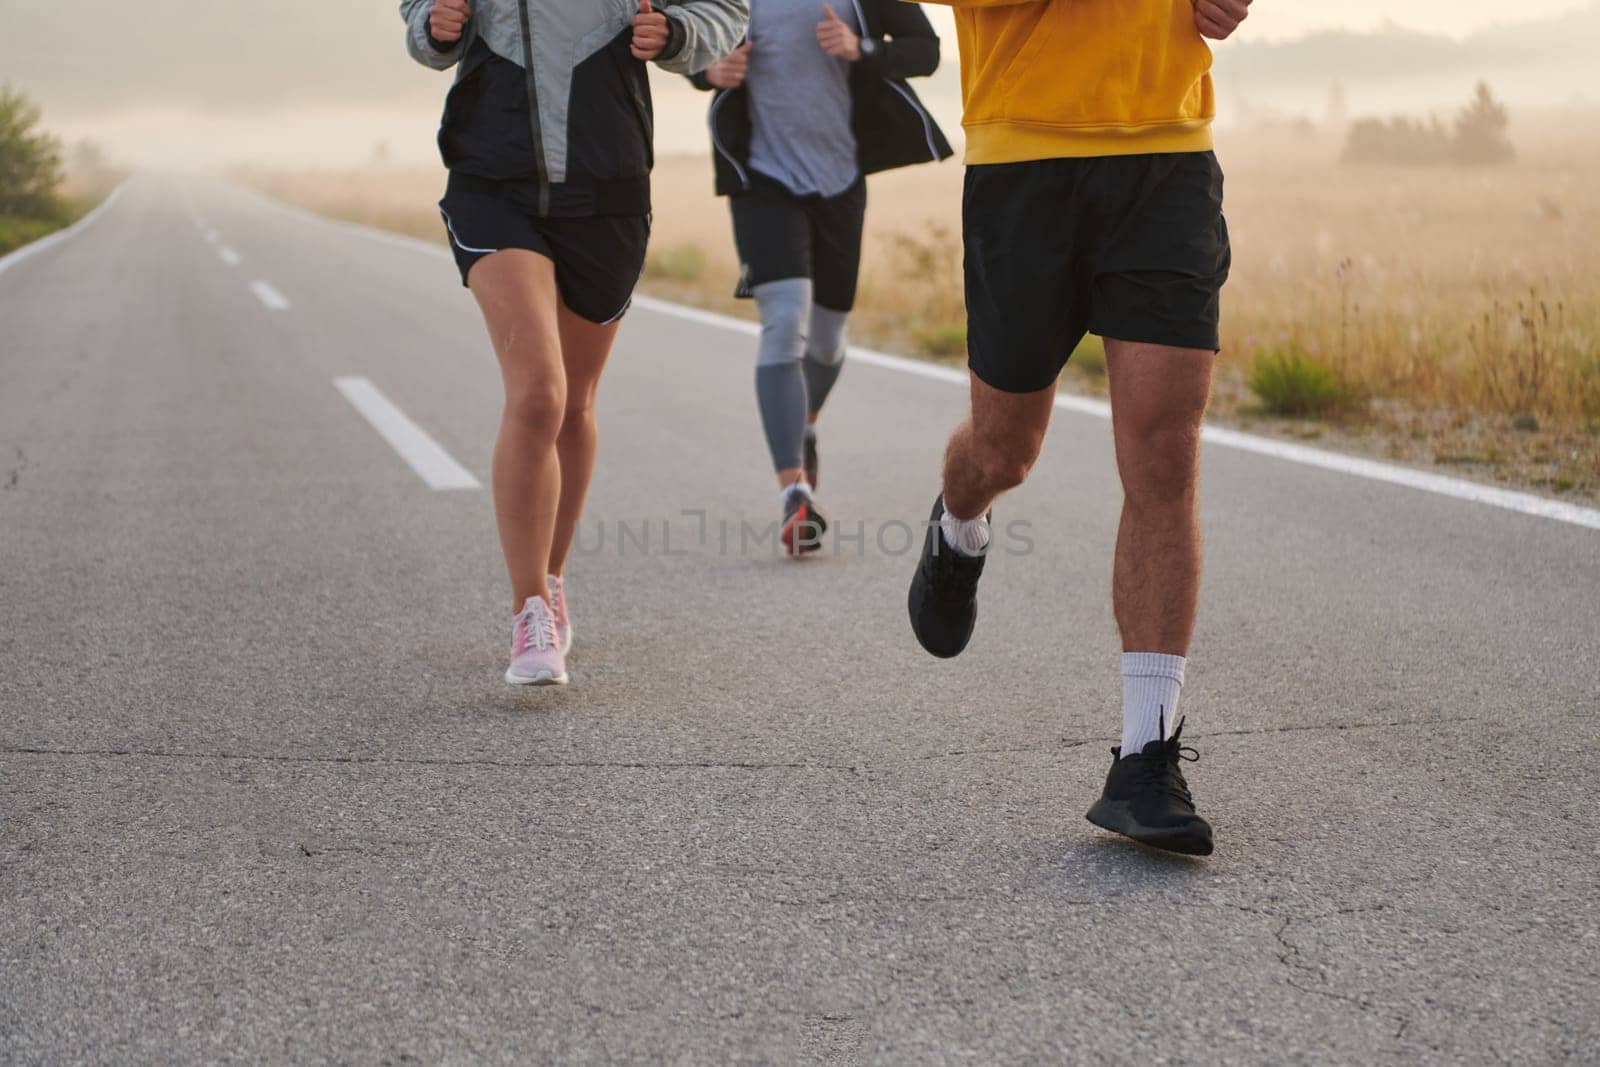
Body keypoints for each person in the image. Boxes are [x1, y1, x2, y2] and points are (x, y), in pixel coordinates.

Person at [906, 0, 1253, 854]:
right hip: (1026, 160)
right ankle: (959, 527)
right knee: (1003, 451)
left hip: (1167, 155)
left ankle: (1147, 754)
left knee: (1164, 456)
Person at [400, 0, 747, 685]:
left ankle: (553, 580)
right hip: (492, 181)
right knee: (538, 394)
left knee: (576, 404)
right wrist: (432, 28)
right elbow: (422, 17)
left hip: (607, 186)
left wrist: (676, 33)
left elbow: (724, 13)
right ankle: (527, 606)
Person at [691, 0, 951, 556]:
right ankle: (795, 493)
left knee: (829, 340)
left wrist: (864, 48)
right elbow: (686, 38)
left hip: (840, 182)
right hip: (763, 181)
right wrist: (707, 71)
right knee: (785, 324)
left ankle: (803, 419)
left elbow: (926, 51)